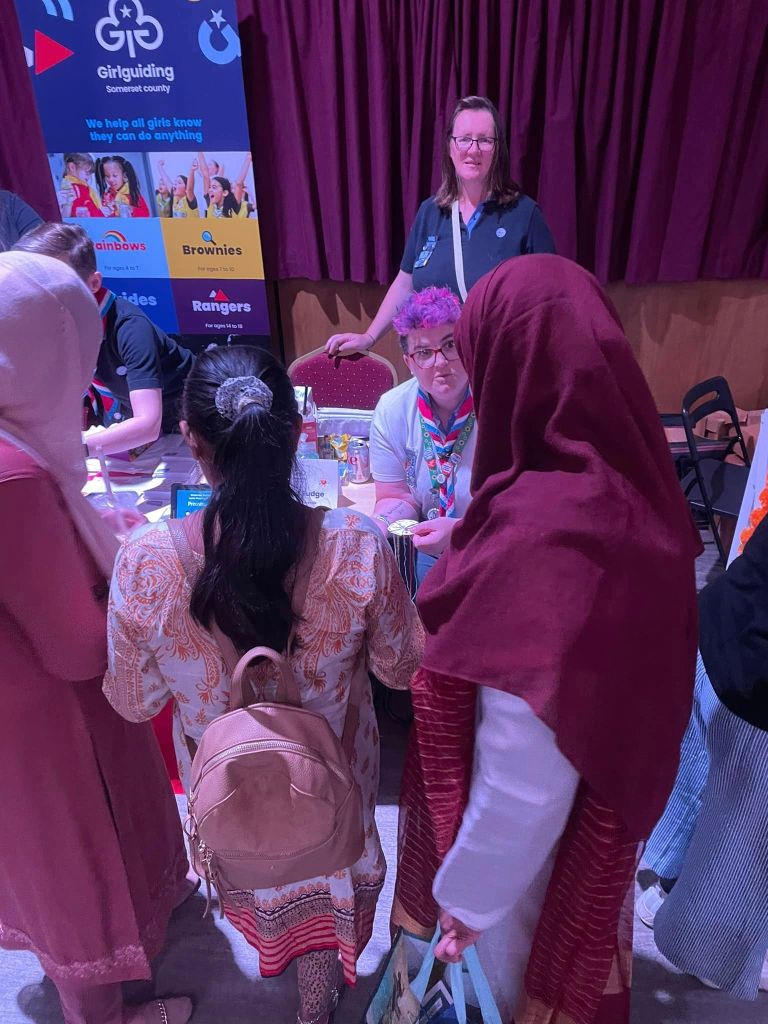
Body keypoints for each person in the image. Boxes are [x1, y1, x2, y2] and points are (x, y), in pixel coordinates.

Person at [392, 255, 702, 1024]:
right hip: (600, 809)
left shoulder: (543, 542)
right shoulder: (634, 489)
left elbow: (525, 773)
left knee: (505, 994)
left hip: (524, 863)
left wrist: (466, 900)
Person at [103, 345, 424, 1024]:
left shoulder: (144, 563)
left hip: (232, 796)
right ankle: (317, 998)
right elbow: (403, 670)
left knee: (263, 875)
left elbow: (135, 702)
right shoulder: (358, 544)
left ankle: (278, 963)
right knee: (326, 872)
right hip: (335, 785)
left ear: (189, 438)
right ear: (299, 430)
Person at [0, 250, 192, 1024]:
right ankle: (102, 1013)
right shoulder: (14, 478)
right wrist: (133, 579)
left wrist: (83, 541)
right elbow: (78, 646)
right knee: (73, 866)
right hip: (44, 721)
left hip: (30, 709)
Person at [636, 512, 768, 997]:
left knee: (697, 783)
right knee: (735, 849)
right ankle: (702, 925)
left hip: (719, 625)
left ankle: (668, 881)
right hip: (750, 680)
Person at [326, 95, 555, 356]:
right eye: (464, 139)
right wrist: (369, 336)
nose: (473, 149)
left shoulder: (524, 215)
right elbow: (406, 283)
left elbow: (549, 297)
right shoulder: (431, 212)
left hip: (502, 361)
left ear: (497, 149)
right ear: (450, 147)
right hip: (440, 366)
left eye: (484, 140)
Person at [14, 222, 194, 455]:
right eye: (32, 282)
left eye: (55, 283)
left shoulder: (129, 327)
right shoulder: (47, 324)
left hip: (187, 424)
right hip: (128, 424)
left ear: (94, 283)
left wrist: (74, 450)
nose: (42, 295)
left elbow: (148, 424)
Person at [369, 286, 474, 583]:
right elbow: (397, 495)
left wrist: (463, 529)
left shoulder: (501, 402)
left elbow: (520, 503)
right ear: (409, 363)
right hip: (429, 544)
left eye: (451, 345)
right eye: (424, 352)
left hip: (492, 538)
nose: (440, 363)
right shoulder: (392, 409)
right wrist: (379, 524)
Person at [198, 151, 251, 218]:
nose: (209, 190)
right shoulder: (210, 203)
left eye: (213, 187)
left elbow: (238, 184)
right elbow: (205, 176)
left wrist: (248, 159)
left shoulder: (232, 206)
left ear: (225, 193)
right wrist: (199, 150)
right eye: (210, 187)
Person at [59, 152, 103, 218]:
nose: (88, 178)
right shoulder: (72, 189)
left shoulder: (82, 187)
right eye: (86, 173)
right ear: (72, 167)